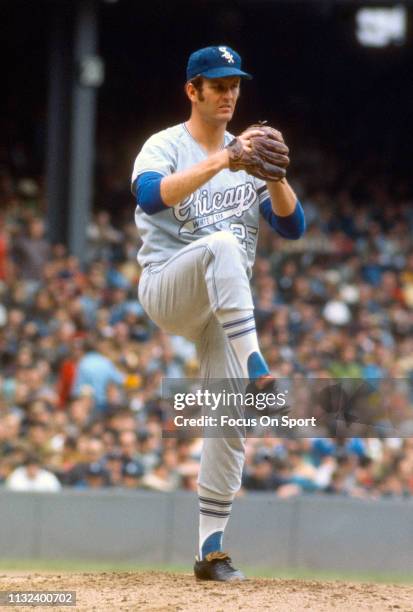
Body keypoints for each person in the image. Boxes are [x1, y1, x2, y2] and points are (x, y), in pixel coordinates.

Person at [131, 45, 305, 581]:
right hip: (169, 285)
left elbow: (293, 227)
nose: (229, 93)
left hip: (221, 313)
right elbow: (149, 196)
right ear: (193, 90)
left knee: (228, 422)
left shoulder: (249, 152)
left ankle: (210, 551)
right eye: (217, 84)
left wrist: (273, 174)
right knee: (224, 245)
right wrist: (224, 161)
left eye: (235, 84)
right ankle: (258, 367)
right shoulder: (165, 145)